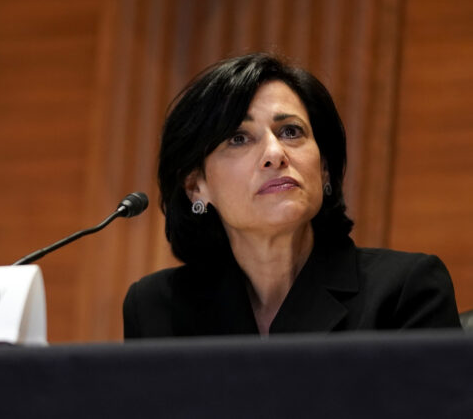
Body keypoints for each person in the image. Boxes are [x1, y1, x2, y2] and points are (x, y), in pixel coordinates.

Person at [123, 53, 461, 338]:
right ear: (196, 186)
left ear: (324, 169)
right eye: (239, 138)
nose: (275, 153)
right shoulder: (156, 309)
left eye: (291, 132)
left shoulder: (405, 292)